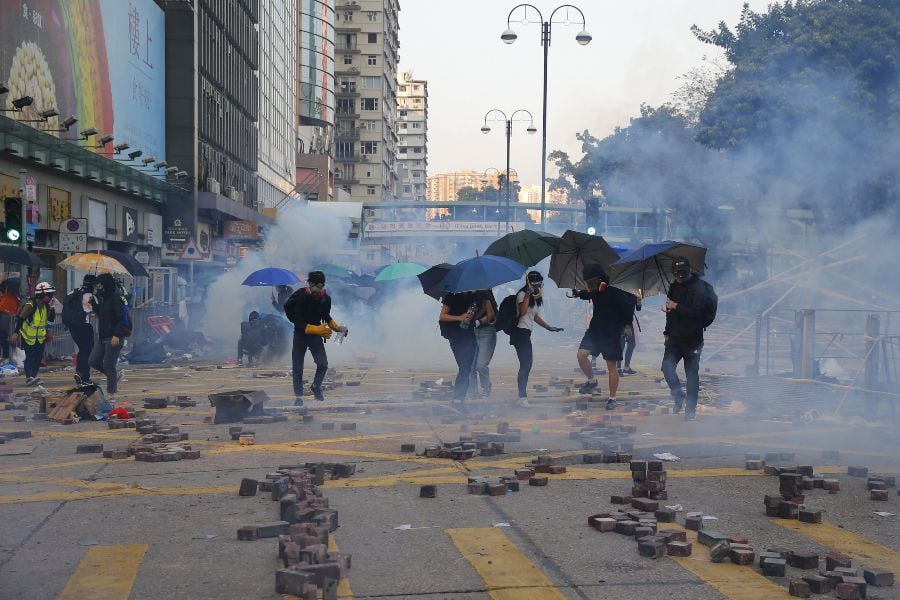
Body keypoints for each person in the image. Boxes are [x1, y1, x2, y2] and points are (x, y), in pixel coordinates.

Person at [573, 264, 635, 410]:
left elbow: (628, 306)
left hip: (612, 332)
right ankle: (592, 381)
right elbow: (587, 294)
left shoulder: (615, 291)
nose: (589, 285)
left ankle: (612, 399)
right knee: (581, 355)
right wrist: (577, 293)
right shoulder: (594, 291)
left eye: (591, 281)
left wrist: (627, 325)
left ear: (600, 279)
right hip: (595, 329)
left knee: (611, 365)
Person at [284, 271, 348, 405]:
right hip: (300, 334)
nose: (316, 289)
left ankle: (316, 386)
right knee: (297, 368)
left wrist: (338, 328)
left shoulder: (325, 299)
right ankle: (299, 398)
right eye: (313, 285)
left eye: (319, 286)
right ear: (309, 284)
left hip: (315, 336)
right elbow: (298, 322)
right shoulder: (300, 297)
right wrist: (317, 329)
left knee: (323, 364)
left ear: (323, 286)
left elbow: (326, 317)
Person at [662, 256, 710, 421]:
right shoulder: (673, 287)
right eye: (677, 273)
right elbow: (670, 314)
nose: (680, 276)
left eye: (683, 273)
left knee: (692, 374)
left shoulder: (699, 288)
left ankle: (690, 410)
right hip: (675, 338)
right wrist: (667, 333)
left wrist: (677, 306)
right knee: (667, 368)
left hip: (693, 339)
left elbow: (697, 313)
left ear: (689, 271)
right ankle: (678, 395)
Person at [511, 271, 563, 406]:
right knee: (526, 364)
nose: (540, 286)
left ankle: (522, 397)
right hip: (520, 333)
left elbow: (534, 316)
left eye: (541, 283)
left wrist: (549, 327)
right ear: (531, 283)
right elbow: (522, 313)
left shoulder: (535, 297)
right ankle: (522, 397)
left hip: (526, 332)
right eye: (538, 283)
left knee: (527, 364)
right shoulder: (523, 295)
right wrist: (528, 293)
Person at [89, 273, 128, 402]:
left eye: (100, 284)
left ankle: (111, 394)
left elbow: (120, 318)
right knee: (93, 361)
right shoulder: (105, 298)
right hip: (103, 336)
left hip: (114, 336)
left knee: (108, 364)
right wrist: (94, 305)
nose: (99, 287)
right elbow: (102, 314)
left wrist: (116, 335)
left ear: (106, 284)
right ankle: (114, 378)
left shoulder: (116, 297)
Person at [11, 282, 56, 386]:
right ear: (41, 294)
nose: (50, 297)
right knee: (30, 357)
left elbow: (48, 321)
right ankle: (29, 377)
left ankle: (33, 376)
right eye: (48, 294)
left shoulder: (47, 307)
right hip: (28, 336)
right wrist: (15, 333)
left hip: (40, 338)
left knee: (38, 357)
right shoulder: (30, 305)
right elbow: (21, 319)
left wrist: (48, 332)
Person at [439, 291, 479, 404]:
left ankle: (459, 398)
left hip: (469, 335)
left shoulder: (475, 297)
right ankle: (458, 398)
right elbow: (442, 316)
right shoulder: (452, 296)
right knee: (464, 367)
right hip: (456, 336)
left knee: (467, 368)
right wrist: (459, 318)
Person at [64, 274, 97, 385]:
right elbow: (94, 310)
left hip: (72, 326)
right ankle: (83, 375)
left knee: (82, 349)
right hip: (84, 325)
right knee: (87, 350)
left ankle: (81, 373)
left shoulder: (73, 292)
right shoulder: (90, 296)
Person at [468, 290, 497, 398]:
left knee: (481, 365)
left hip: (486, 333)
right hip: (471, 333)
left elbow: (491, 316)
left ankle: (486, 387)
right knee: (470, 366)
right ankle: (473, 392)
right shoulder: (465, 296)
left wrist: (478, 321)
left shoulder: (485, 295)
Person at [617, 294, 642, 375]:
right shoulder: (620, 294)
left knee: (632, 344)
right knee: (621, 345)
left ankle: (626, 367)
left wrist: (638, 301)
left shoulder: (634, 295)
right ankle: (618, 368)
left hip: (629, 323)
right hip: (620, 323)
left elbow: (638, 309)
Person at [0, 277, 20, 362]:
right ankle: (6, 357)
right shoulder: (9, 298)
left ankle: (6, 357)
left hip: (5, 323)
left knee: (4, 340)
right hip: (6, 324)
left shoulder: (10, 298)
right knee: (4, 340)